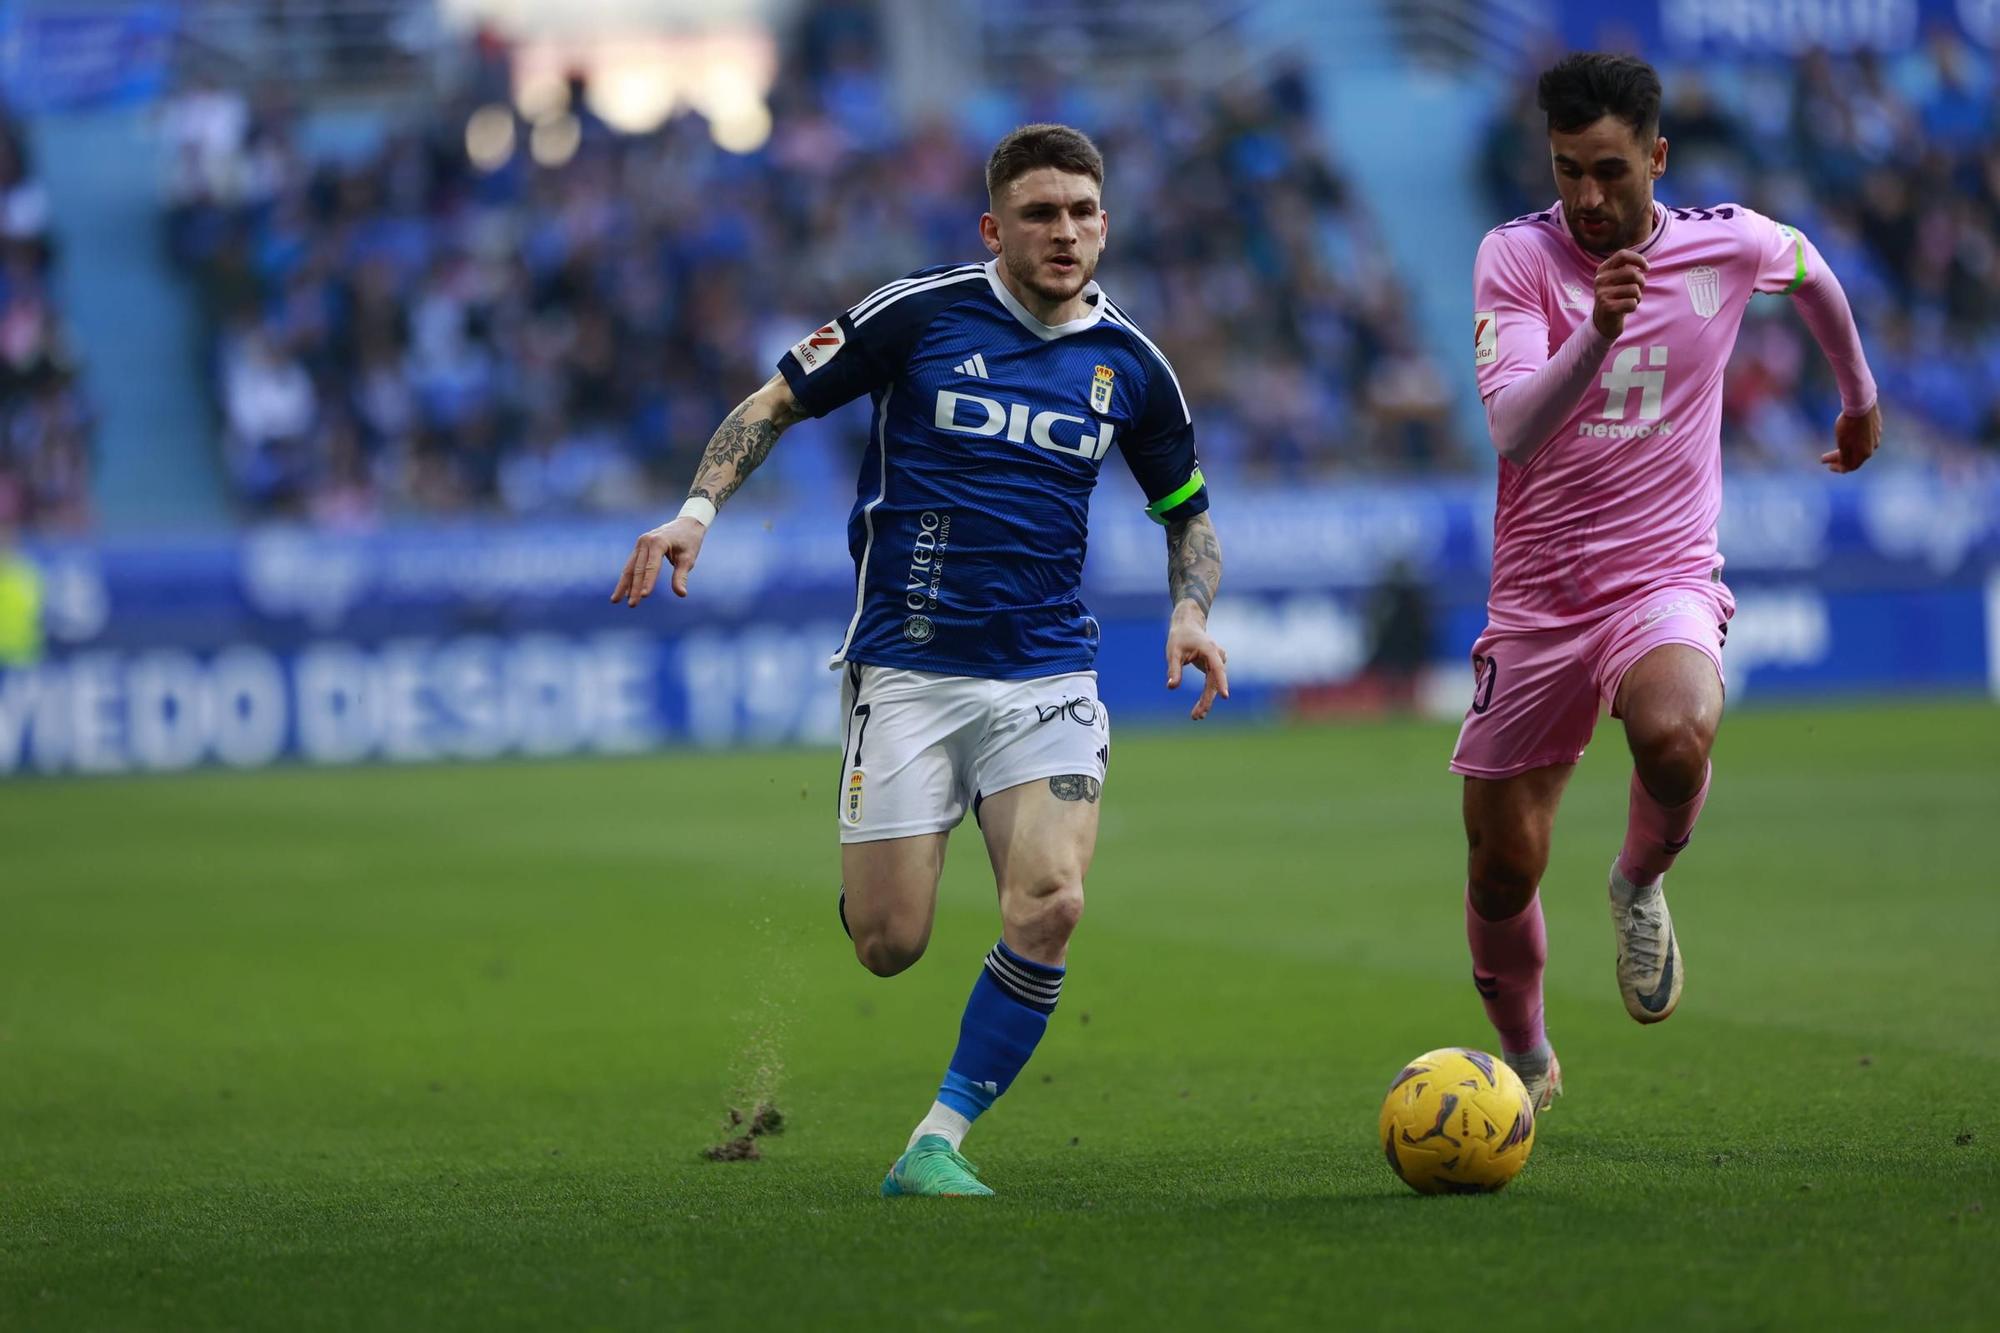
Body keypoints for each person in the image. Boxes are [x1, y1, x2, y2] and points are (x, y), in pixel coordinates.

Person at [611, 124, 1229, 1194]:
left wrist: (1188, 609)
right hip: (906, 663)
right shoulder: (917, 312)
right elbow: (772, 404)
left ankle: (934, 1139)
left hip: (1046, 671)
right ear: (994, 227)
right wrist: (695, 511)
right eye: (1039, 214)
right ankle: (888, 853)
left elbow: (1188, 514)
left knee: (1053, 900)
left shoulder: (1131, 365)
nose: (1065, 233)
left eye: (1082, 213)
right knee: (889, 943)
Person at [1455, 54, 1881, 1110]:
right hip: (1539, 599)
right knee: (1502, 866)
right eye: (1565, 173)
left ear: (1654, 155)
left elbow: (1812, 270)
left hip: (1662, 570)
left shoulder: (1722, 244)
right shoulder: (1514, 259)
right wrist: (1595, 329)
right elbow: (1511, 427)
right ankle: (1527, 1056)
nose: (1587, 200)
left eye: (1608, 171)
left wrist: (1857, 396)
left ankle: (1638, 880)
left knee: (1677, 728)